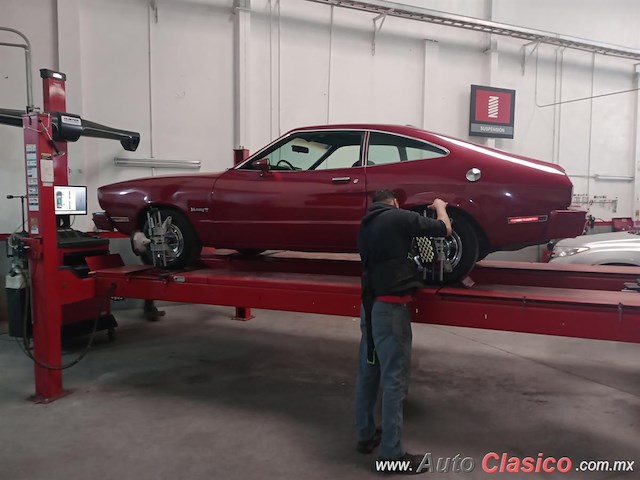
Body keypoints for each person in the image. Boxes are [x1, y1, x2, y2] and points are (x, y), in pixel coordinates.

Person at [355, 189, 452, 472]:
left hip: (368, 308)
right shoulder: (397, 218)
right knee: (394, 380)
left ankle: (364, 435)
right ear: (394, 203)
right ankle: (391, 456)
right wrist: (439, 206)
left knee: (368, 371)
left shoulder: (366, 225)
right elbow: (444, 229)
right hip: (390, 310)